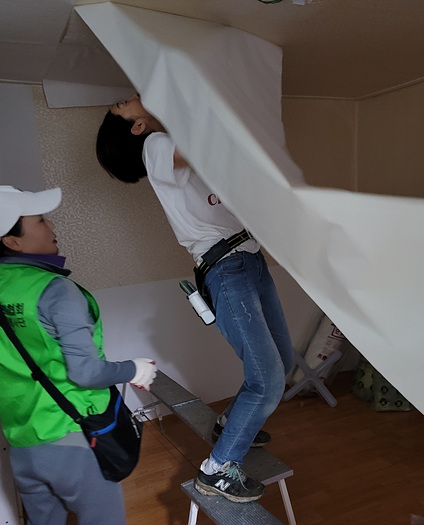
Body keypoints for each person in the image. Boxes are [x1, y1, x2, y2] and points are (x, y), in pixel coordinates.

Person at [96, 93, 294, 503]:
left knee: (281, 362)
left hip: (248, 259)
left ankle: (227, 426)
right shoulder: (154, 145)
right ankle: (217, 470)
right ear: (136, 127)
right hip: (228, 267)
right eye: (123, 105)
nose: (129, 97)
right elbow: (197, 149)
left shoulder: (161, 141)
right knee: (269, 379)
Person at [0, 185, 158, 525]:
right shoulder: (56, 290)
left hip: (23, 445)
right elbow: (86, 373)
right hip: (72, 439)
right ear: (12, 242)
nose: (52, 226)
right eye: (41, 221)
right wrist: (134, 369)